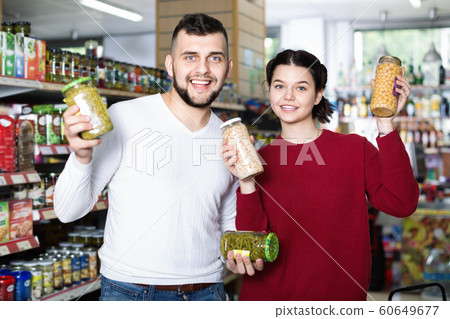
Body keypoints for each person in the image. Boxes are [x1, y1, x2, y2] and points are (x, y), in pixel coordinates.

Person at [54, 13, 238, 301]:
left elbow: (227, 220)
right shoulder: (124, 117)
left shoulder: (230, 137)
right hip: (129, 293)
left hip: (208, 292)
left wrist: (238, 255)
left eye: (214, 58)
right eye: (190, 57)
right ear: (169, 65)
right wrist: (80, 156)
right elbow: (67, 212)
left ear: (227, 68)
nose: (202, 69)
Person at [221, 49, 419, 301]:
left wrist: (386, 123)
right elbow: (255, 251)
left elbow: (402, 203)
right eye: (279, 85)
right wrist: (245, 180)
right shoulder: (256, 160)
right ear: (269, 91)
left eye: (301, 87)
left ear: (318, 95)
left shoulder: (354, 149)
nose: (288, 96)